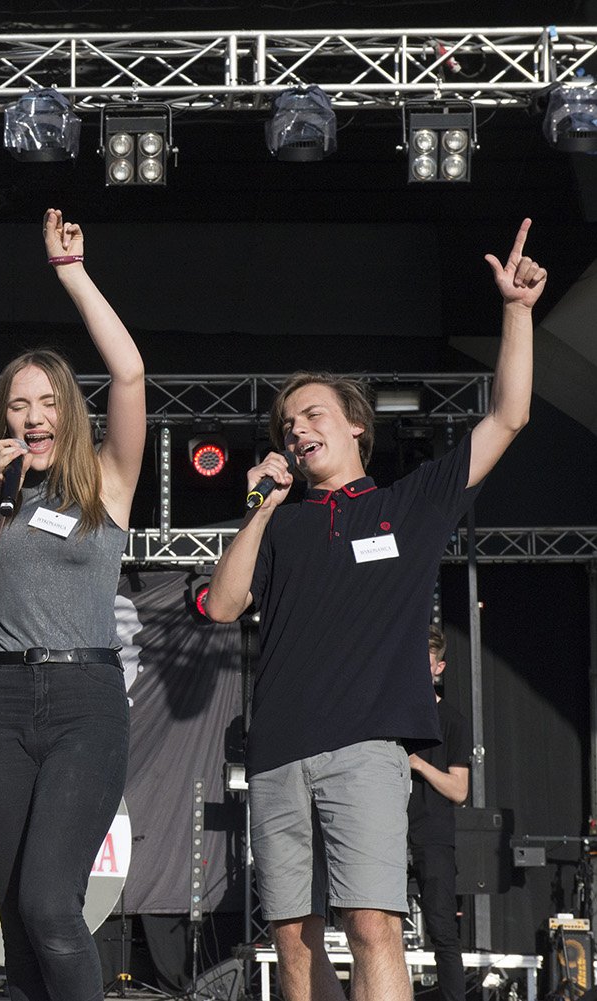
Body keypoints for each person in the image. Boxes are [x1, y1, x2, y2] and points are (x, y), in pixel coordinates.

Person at [203, 220, 544, 1001]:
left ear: (356, 421)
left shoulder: (408, 504)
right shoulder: (280, 524)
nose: (298, 428)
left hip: (365, 747)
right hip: (279, 750)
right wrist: (259, 506)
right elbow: (222, 604)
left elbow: (509, 416)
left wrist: (517, 312)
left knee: (373, 924)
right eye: (288, 424)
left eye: (313, 414)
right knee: (293, 942)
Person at [0, 209, 146, 1001]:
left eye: (46, 402)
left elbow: (130, 375)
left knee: (48, 900)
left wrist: (72, 273)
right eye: (17, 404)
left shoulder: (105, 480)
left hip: (84, 699)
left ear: (68, 411)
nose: (32, 416)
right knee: (13, 912)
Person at [408, 625, 470, 1001]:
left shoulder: (452, 721)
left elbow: (459, 791)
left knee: (443, 934)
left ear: (439, 667)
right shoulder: (391, 714)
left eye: (426, 661)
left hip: (432, 835)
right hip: (389, 832)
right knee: (374, 925)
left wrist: (418, 764)